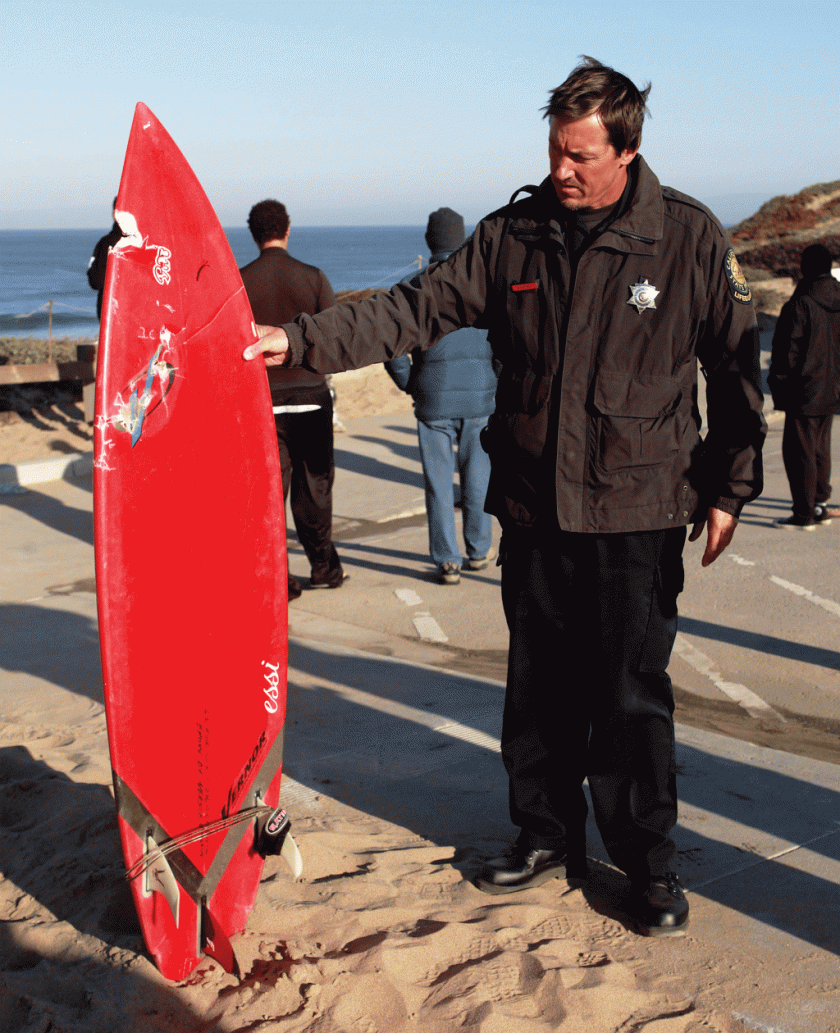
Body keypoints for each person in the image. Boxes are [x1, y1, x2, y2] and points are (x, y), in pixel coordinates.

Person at [244, 58, 766, 937]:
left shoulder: (687, 237)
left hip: (637, 512)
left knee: (631, 700)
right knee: (538, 691)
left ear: (627, 151)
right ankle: (545, 834)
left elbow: (737, 370)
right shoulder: (511, 235)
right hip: (533, 508)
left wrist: (731, 484)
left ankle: (648, 864)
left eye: (580, 156)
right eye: (555, 151)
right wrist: (295, 340)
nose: (562, 170)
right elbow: (411, 308)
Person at [239, 199, 346, 599]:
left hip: (263, 400)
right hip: (311, 395)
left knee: (269, 493)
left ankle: (277, 579)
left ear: (254, 234)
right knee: (315, 486)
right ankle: (324, 567)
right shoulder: (313, 277)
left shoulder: (239, 282)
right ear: (287, 230)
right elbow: (334, 334)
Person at [385, 208, 498, 584]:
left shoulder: (411, 286)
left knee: (437, 483)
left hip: (432, 397)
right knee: (478, 477)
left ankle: (447, 559)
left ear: (429, 241)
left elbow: (392, 347)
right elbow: (505, 340)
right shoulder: (483, 284)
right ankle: (479, 550)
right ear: (463, 239)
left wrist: (410, 382)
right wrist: (495, 379)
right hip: (480, 395)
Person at [768, 244, 840, 530]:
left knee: (800, 452)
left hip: (804, 389)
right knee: (820, 448)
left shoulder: (801, 304)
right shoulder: (837, 297)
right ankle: (819, 504)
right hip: (832, 388)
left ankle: (803, 514)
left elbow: (787, 352)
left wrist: (780, 385)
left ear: (805, 267)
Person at [87, 197, 123, 320]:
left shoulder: (106, 244)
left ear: (114, 213)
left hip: (110, 313)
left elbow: (95, 281)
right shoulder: (148, 244)